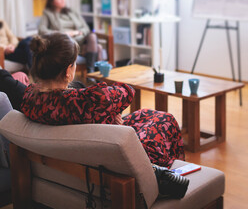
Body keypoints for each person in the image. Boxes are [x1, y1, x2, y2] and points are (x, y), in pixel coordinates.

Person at [21, 32, 185, 168]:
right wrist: (108, 112)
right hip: (113, 157)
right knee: (166, 120)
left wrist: (107, 116)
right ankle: (168, 176)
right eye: (74, 63)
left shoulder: (29, 96)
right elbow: (128, 91)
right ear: (67, 72)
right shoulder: (89, 100)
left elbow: (79, 113)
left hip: (84, 148)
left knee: (146, 114)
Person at [38, 0, 103, 74]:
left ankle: (90, 73)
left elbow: (86, 28)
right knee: (98, 48)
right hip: (68, 42)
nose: (63, 0)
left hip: (81, 39)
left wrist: (77, 32)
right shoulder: (48, 13)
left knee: (92, 36)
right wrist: (63, 33)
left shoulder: (72, 11)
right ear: (52, 1)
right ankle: (94, 76)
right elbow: (42, 30)